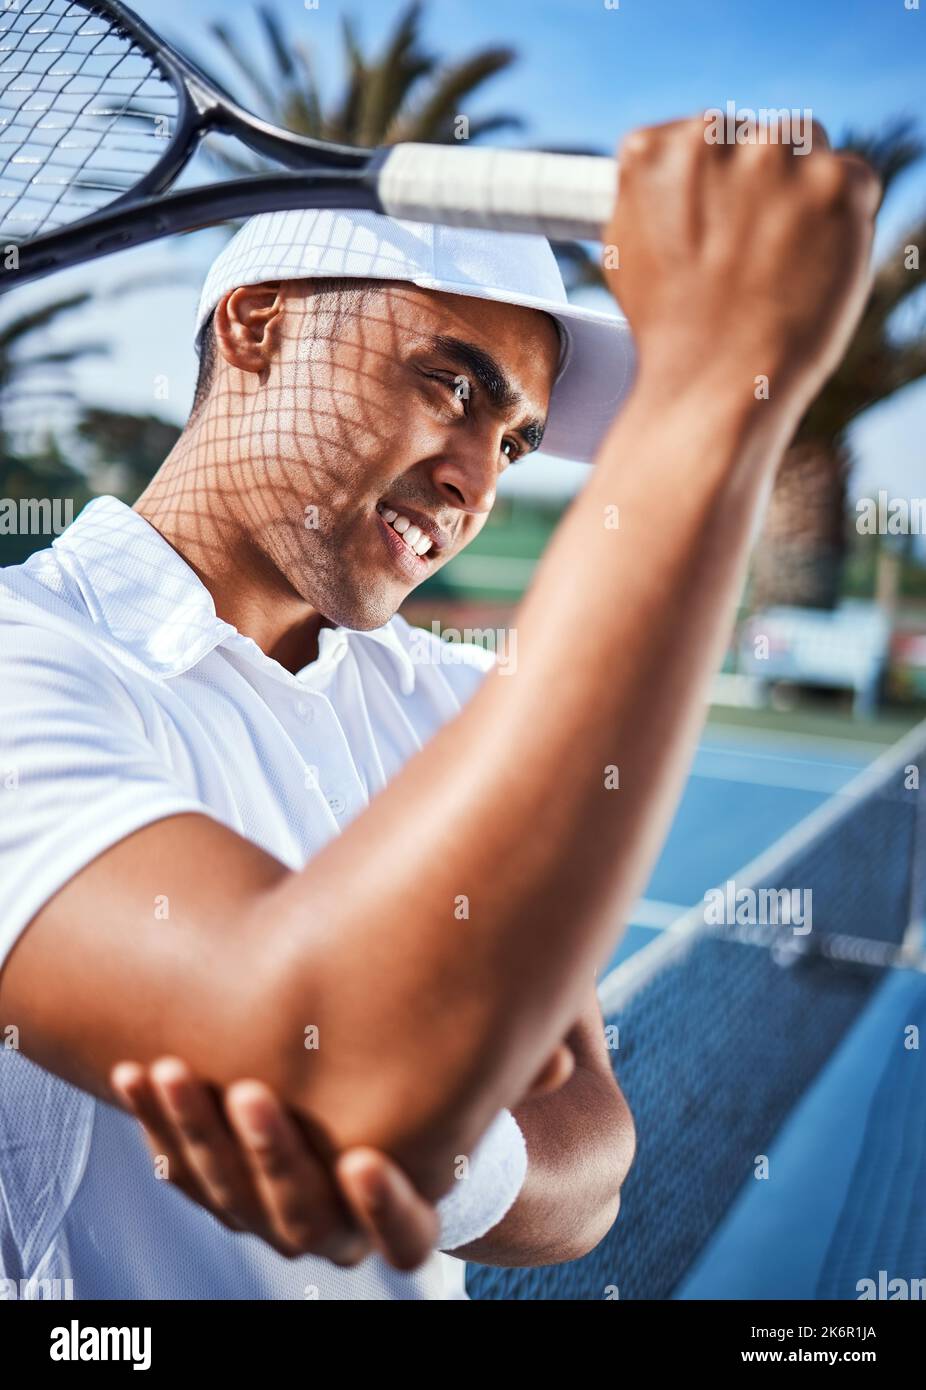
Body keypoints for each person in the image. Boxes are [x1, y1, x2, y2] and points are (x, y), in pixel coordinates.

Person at [0, 116, 879, 1300]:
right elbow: (330, 1049)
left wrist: (431, 1152)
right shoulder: (23, 655)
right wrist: (713, 397)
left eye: (513, 439)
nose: (476, 478)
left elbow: (592, 1177)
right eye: (450, 382)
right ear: (255, 320)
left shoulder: (462, 709)